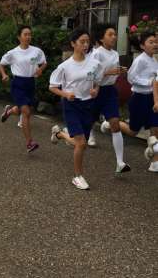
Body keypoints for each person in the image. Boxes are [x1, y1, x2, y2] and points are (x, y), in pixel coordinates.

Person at [49, 28, 102, 190]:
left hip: (88, 105)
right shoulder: (65, 66)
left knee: (81, 144)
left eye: (87, 42)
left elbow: (97, 82)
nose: (85, 45)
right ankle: (78, 176)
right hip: (71, 105)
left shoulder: (94, 64)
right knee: (81, 143)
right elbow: (52, 87)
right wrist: (66, 94)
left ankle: (60, 134)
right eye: (82, 42)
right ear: (73, 43)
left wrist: (95, 90)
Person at [101, 31, 158, 173]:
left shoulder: (154, 60)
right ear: (142, 46)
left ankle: (154, 163)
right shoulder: (140, 60)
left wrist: (154, 85)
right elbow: (131, 78)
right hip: (139, 98)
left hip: (152, 98)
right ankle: (110, 123)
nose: (154, 44)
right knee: (133, 131)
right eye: (151, 42)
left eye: (155, 42)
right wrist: (149, 82)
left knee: (155, 129)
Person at [88, 24, 130, 173]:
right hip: (96, 90)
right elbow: (90, 74)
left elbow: (114, 71)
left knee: (115, 124)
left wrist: (119, 71)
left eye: (115, 34)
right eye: (110, 34)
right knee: (88, 120)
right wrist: (108, 72)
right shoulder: (96, 54)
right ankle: (85, 133)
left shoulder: (115, 54)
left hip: (110, 91)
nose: (114, 37)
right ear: (101, 38)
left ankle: (120, 162)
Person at [0, 26, 47, 153]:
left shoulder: (36, 51)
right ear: (19, 37)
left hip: (30, 83)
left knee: (22, 109)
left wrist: (40, 69)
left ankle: (9, 111)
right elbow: (1, 64)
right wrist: (4, 75)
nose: (28, 36)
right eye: (25, 34)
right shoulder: (13, 53)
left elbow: (44, 62)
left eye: (29, 34)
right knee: (26, 112)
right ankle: (29, 143)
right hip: (18, 84)